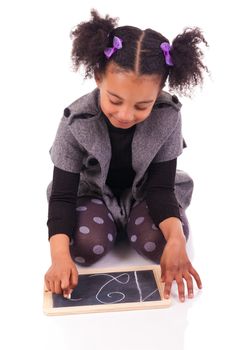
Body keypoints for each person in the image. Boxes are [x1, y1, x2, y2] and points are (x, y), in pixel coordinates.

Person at [44, 9, 208, 302]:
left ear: (159, 92)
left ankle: (140, 224)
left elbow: (160, 189)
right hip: (90, 194)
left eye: (142, 105)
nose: (125, 114)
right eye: (115, 100)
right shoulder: (74, 120)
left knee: (160, 244)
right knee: (82, 248)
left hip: (146, 195)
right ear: (98, 77)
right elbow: (62, 197)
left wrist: (176, 239)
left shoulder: (168, 116)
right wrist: (58, 257)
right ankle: (107, 223)